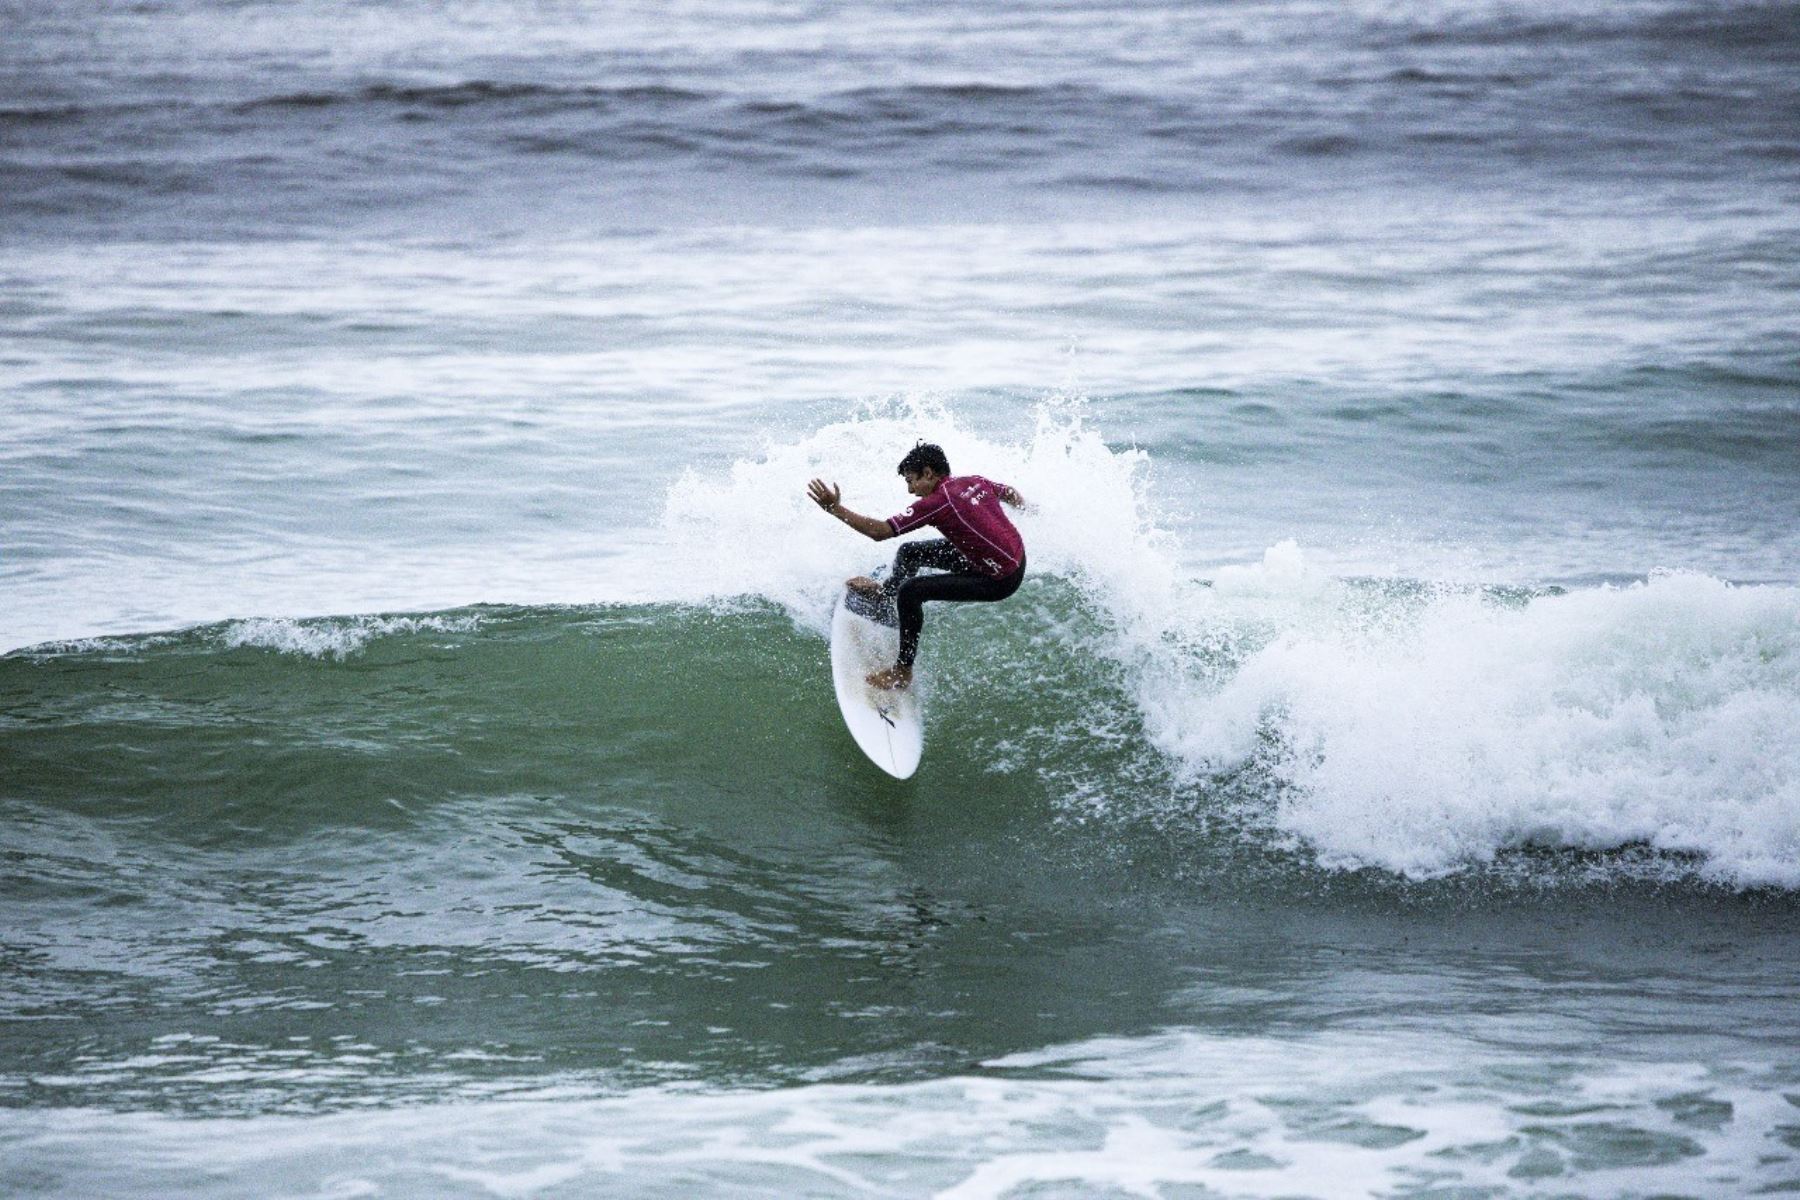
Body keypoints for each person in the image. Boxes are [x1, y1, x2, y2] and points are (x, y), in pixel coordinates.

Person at [807, 442, 1027, 690]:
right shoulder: (972, 481)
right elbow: (1008, 492)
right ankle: (884, 597)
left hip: (999, 579)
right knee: (909, 552)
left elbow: (880, 531)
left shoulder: (937, 503)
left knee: (911, 591)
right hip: (1013, 557)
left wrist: (835, 509)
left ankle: (902, 672)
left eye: (912, 481)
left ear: (929, 473)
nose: (911, 490)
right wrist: (1028, 511)